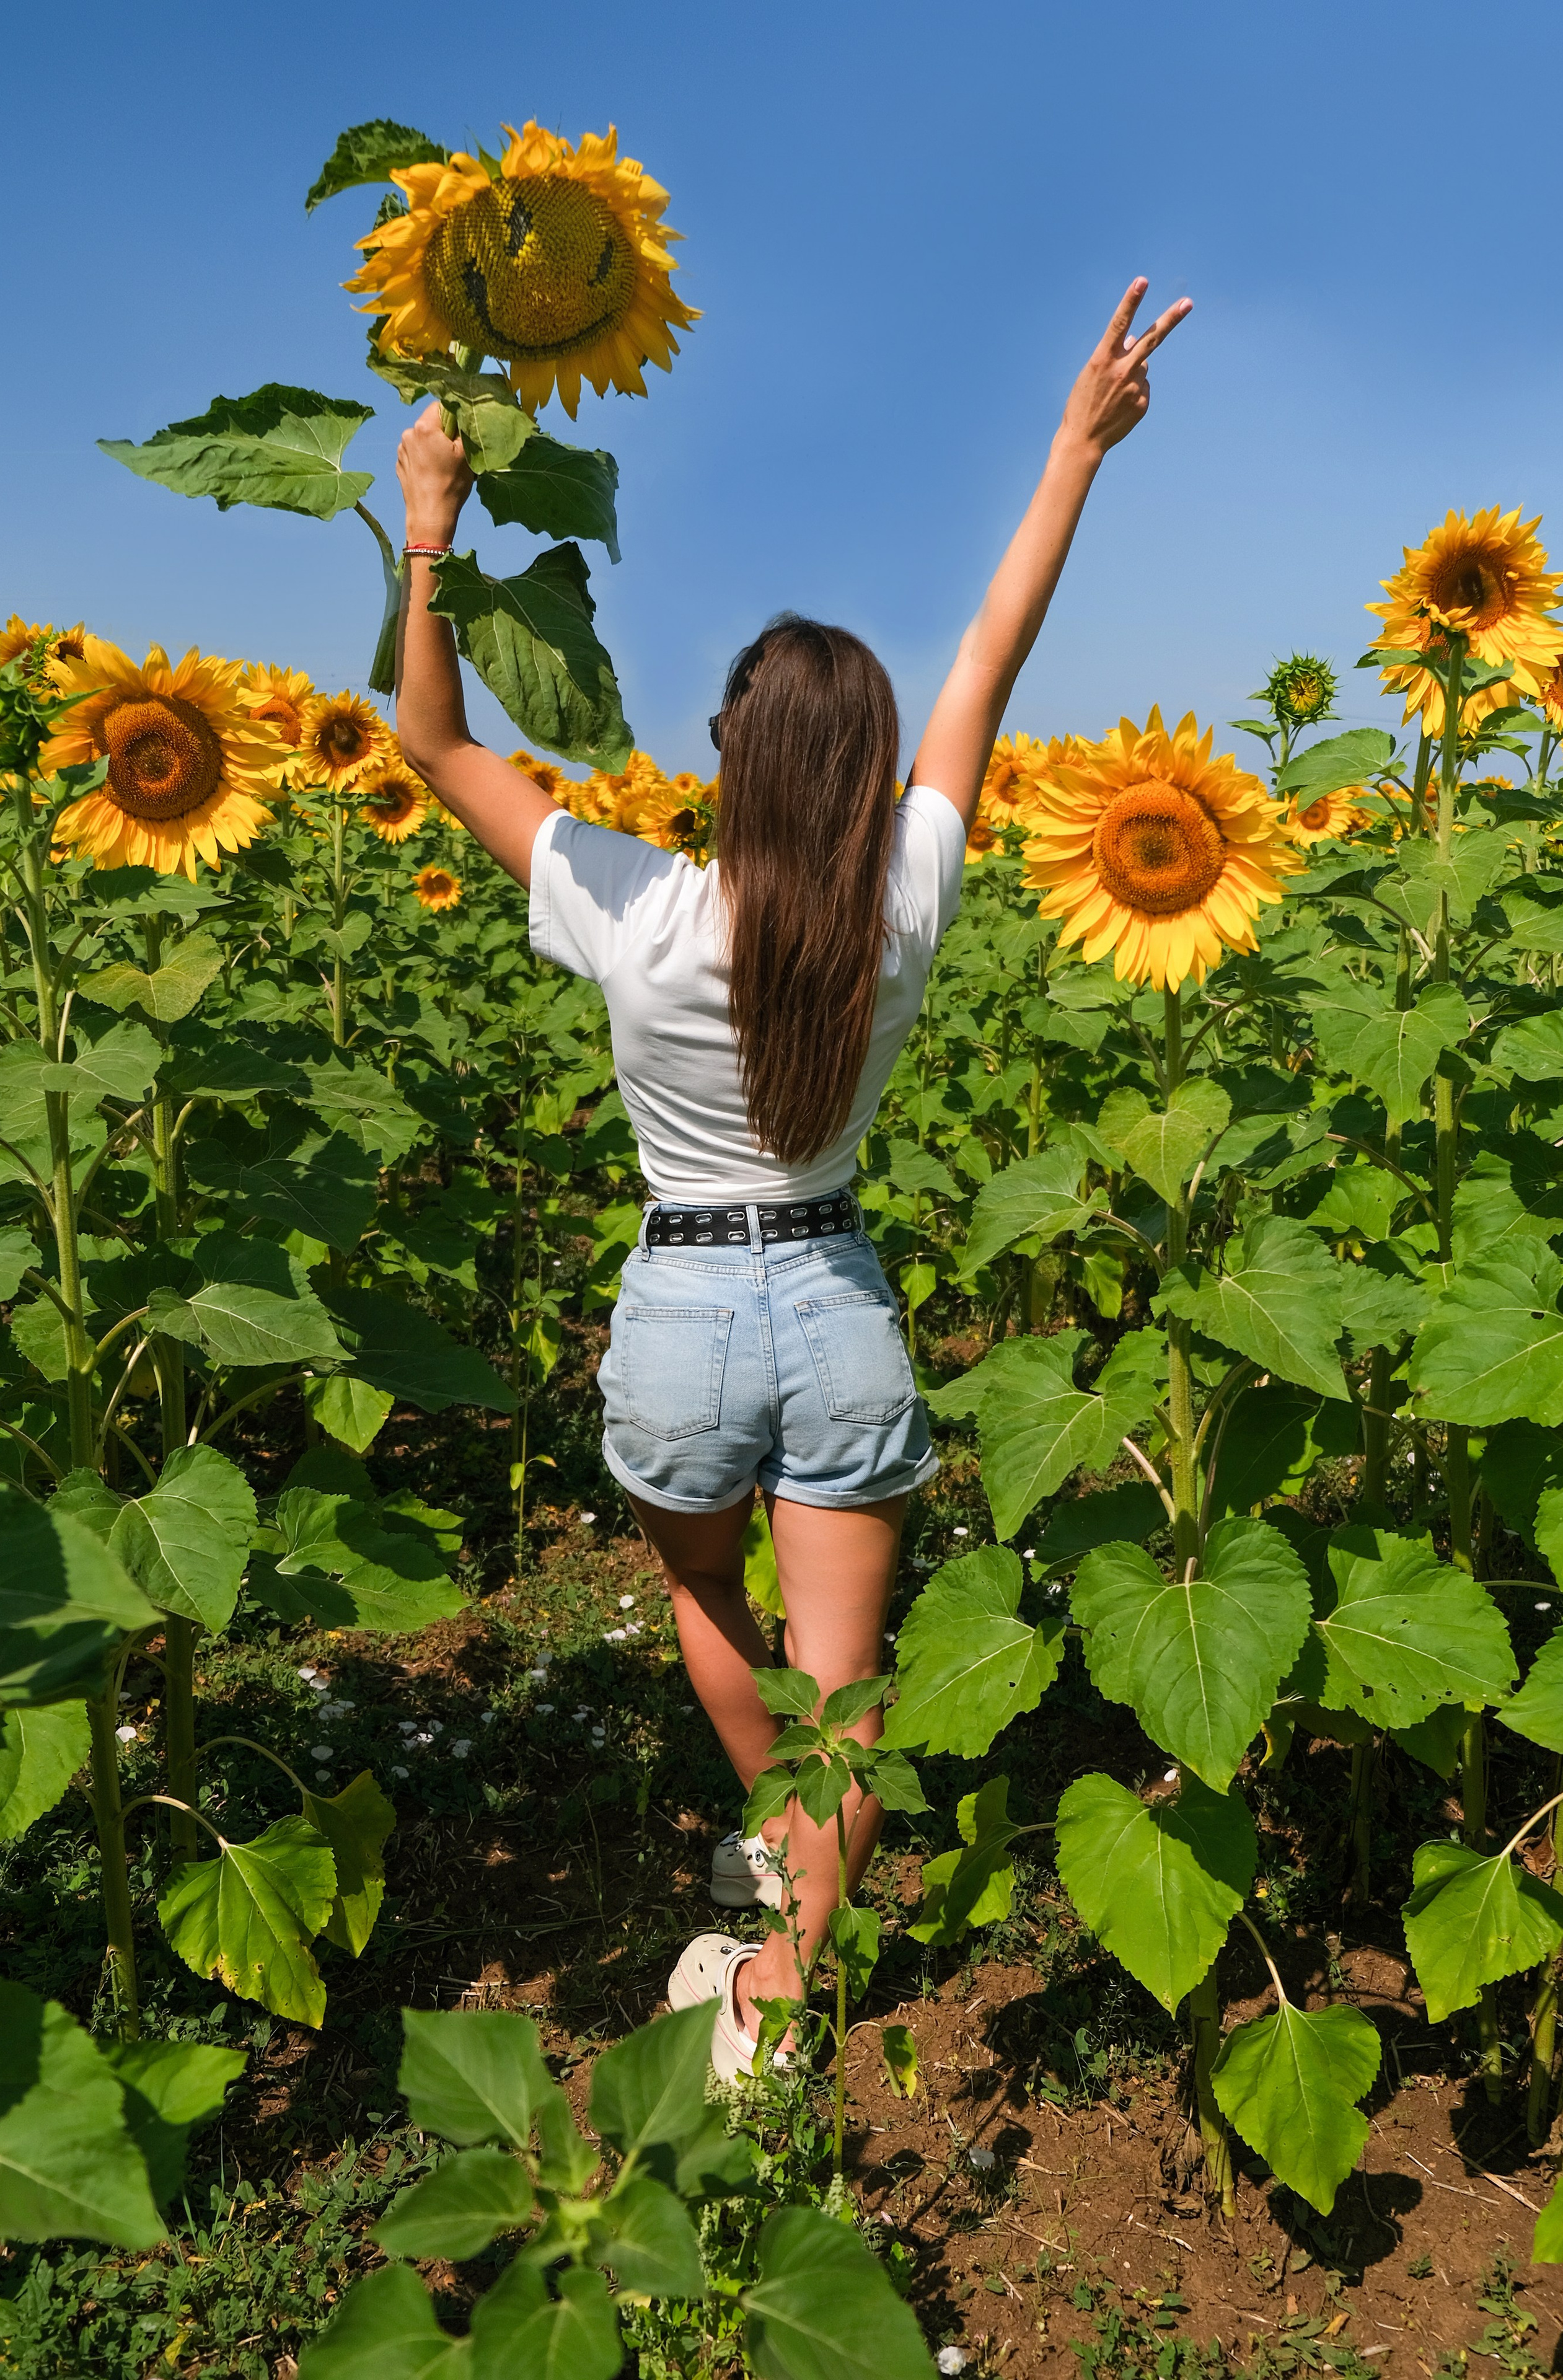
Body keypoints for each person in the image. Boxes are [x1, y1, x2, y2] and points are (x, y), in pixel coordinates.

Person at [393, 277, 1191, 2079]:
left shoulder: (638, 906)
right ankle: (801, 1944)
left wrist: (433, 536)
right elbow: (993, 653)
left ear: (730, 761)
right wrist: (1078, 448)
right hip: (834, 1301)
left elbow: (432, 743)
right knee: (847, 1683)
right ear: (863, 772)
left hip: (680, 1299)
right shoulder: (903, 902)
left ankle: (784, 1915)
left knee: (708, 1608)